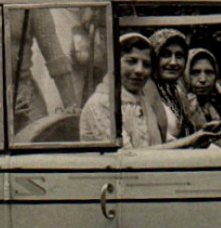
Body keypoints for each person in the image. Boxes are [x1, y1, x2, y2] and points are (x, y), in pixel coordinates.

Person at [79, 33, 213, 149]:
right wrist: (190, 141)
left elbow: (161, 142)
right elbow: (127, 157)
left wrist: (200, 137)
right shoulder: (101, 103)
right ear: (114, 63)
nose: (139, 70)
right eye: (131, 61)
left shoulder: (141, 101)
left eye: (146, 65)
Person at [146, 28, 190, 137]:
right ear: (154, 58)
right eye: (166, 55)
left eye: (179, 56)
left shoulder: (178, 92)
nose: (173, 62)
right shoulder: (145, 90)